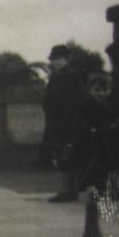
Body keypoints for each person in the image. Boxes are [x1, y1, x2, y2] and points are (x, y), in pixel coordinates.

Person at [73, 71, 119, 237]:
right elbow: (82, 133)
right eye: (97, 90)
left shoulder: (111, 108)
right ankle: (94, 235)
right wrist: (103, 131)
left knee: (97, 194)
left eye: (105, 90)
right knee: (93, 193)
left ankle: (89, 235)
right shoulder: (85, 108)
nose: (101, 94)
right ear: (90, 90)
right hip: (88, 157)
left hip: (104, 157)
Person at [43, 44, 85, 202]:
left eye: (59, 59)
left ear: (67, 59)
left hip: (68, 120)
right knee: (60, 154)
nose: (56, 62)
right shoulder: (54, 77)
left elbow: (76, 101)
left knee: (67, 154)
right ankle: (68, 190)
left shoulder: (72, 77)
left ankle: (68, 190)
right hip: (55, 121)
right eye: (54, 59)